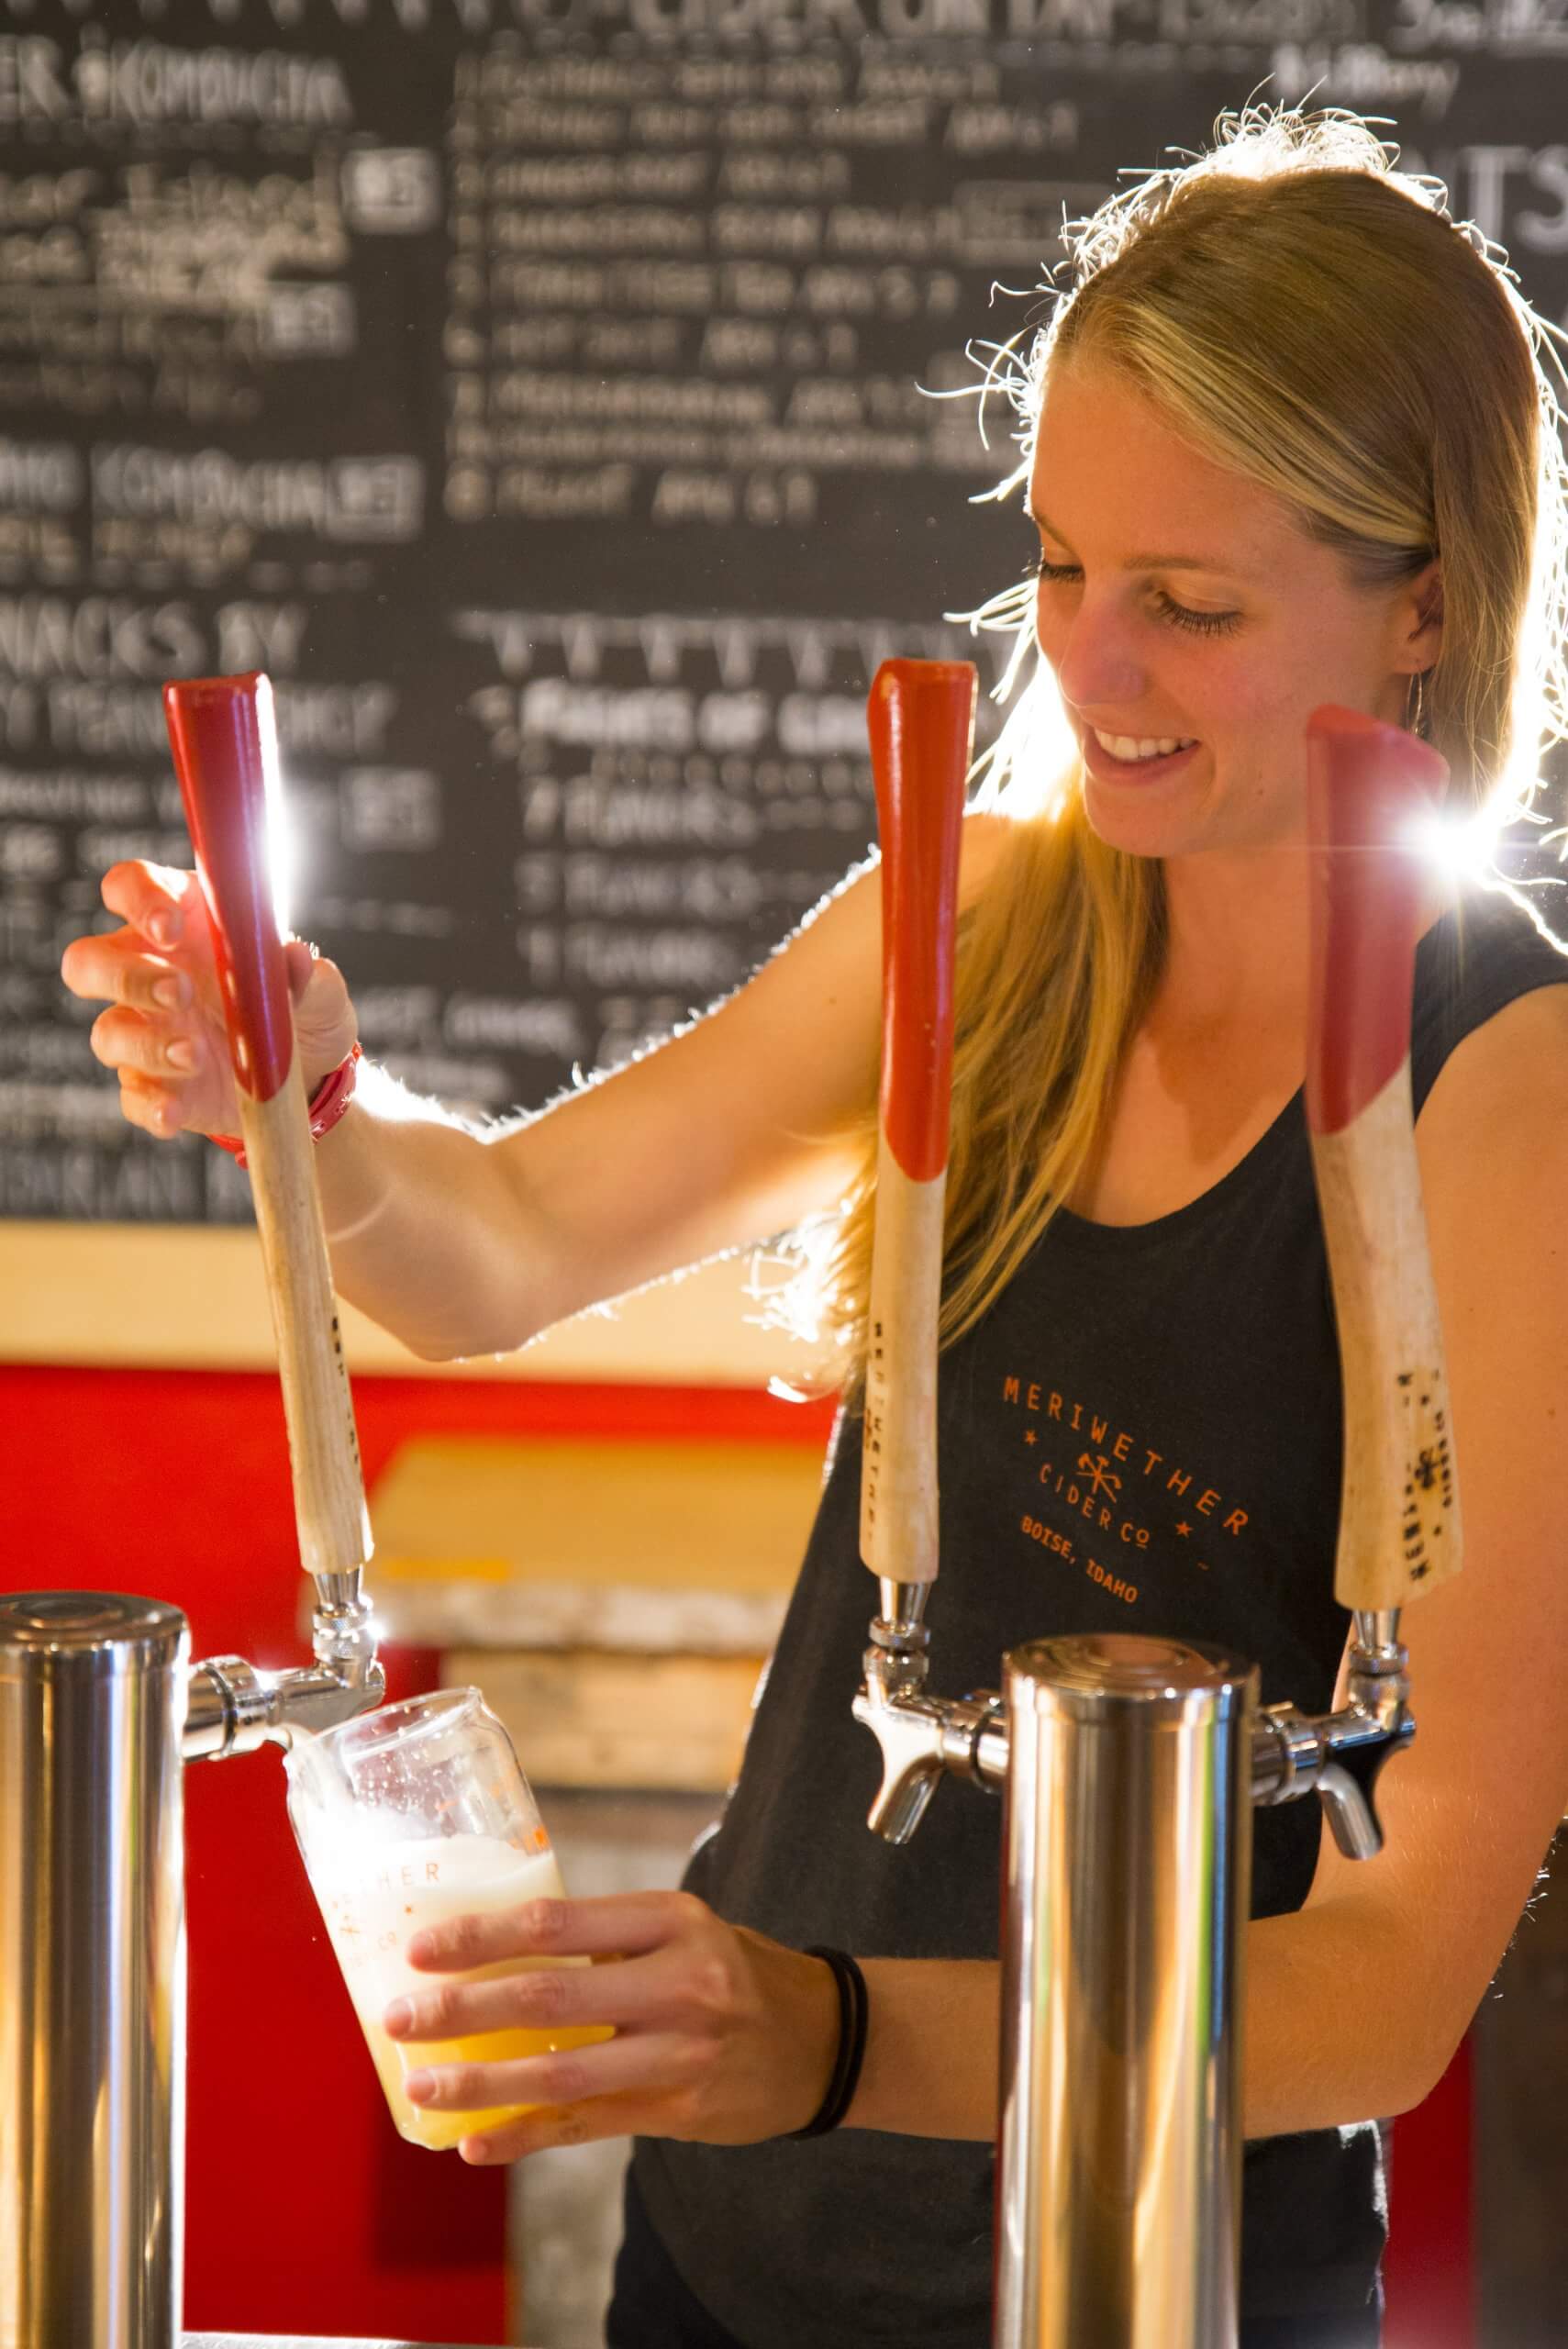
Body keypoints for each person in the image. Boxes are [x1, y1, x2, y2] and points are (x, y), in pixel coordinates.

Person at [62, 101, 1568, 2349]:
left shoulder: (1511, 1098)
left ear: (1427, 597)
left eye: (1193, 602)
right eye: (1062, 565)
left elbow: (1392, 1967)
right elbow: (492, 1248)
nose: (1094, 668)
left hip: (1143, 2275)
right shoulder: (986, 928)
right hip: (730, 2251)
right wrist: (319, 1113)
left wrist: (834, 2027)